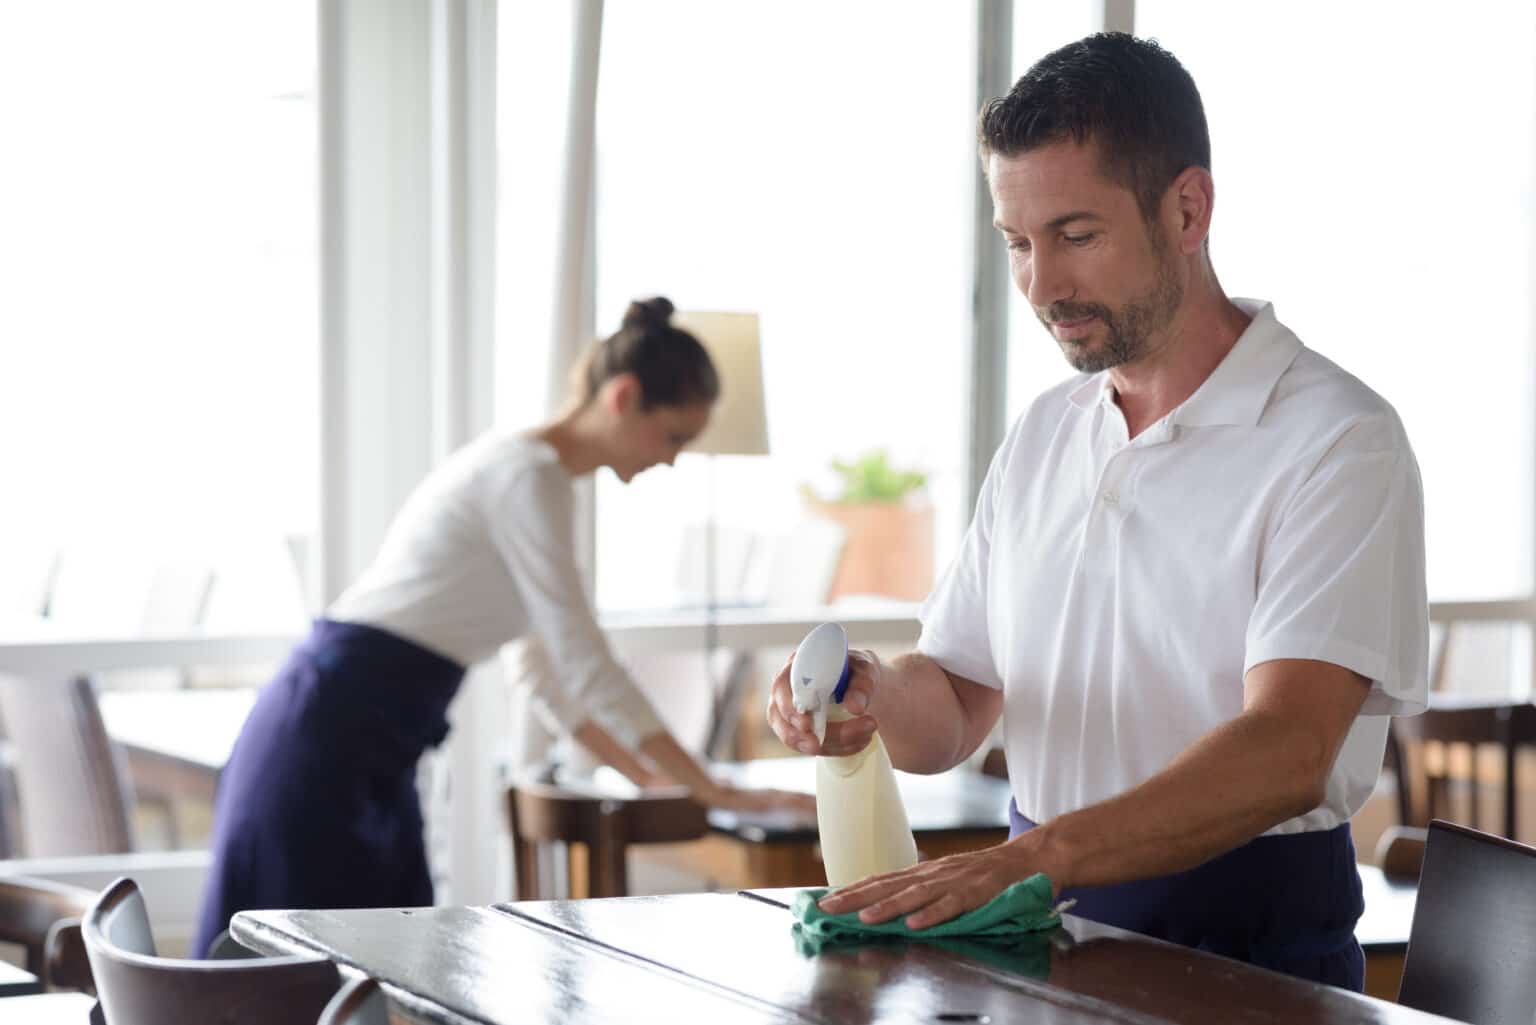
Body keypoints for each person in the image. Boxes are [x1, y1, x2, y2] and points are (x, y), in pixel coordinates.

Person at [766, 33, 1427, 991]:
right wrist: (867, 697)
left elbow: (1288, 748)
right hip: (1030, 945)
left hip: (1253, 966)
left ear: (1189, 209)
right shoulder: (1044, 434)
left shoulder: (1338, 440)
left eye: (1077, 235)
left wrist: (1035, 859)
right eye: (1019, 244)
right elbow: (954, 699)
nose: (1042, 286)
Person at [195, 297, 811, 956]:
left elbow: (542, 671)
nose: (672, 460)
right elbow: (586, 662)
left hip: (364, 741)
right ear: (624, 396)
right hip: (325, 740)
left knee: (379, 964)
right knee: (294, 979)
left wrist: (651, 777)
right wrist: (713, 788)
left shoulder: (537, 481)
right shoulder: (528, 478)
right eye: (674, 437)